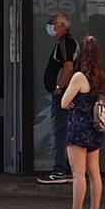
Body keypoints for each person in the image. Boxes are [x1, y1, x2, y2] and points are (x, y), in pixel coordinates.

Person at [56, 36, 105, 209]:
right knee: (94, 173)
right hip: (95, 129)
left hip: (78, 128)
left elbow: (63, 103)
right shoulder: (101, 77)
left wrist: (72, 101)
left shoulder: (79, 77)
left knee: (78, 174)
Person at [38, 12, 79, 184]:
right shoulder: (63, 43)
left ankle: (61, 169)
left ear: (62, 25)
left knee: (61, 130)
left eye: (53, 23)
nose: (50, 26)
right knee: (64, 130)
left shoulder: (66, 42)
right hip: (65, 93)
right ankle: (66, 168)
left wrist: (59, 88)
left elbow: (68, 67)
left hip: (64, 94)